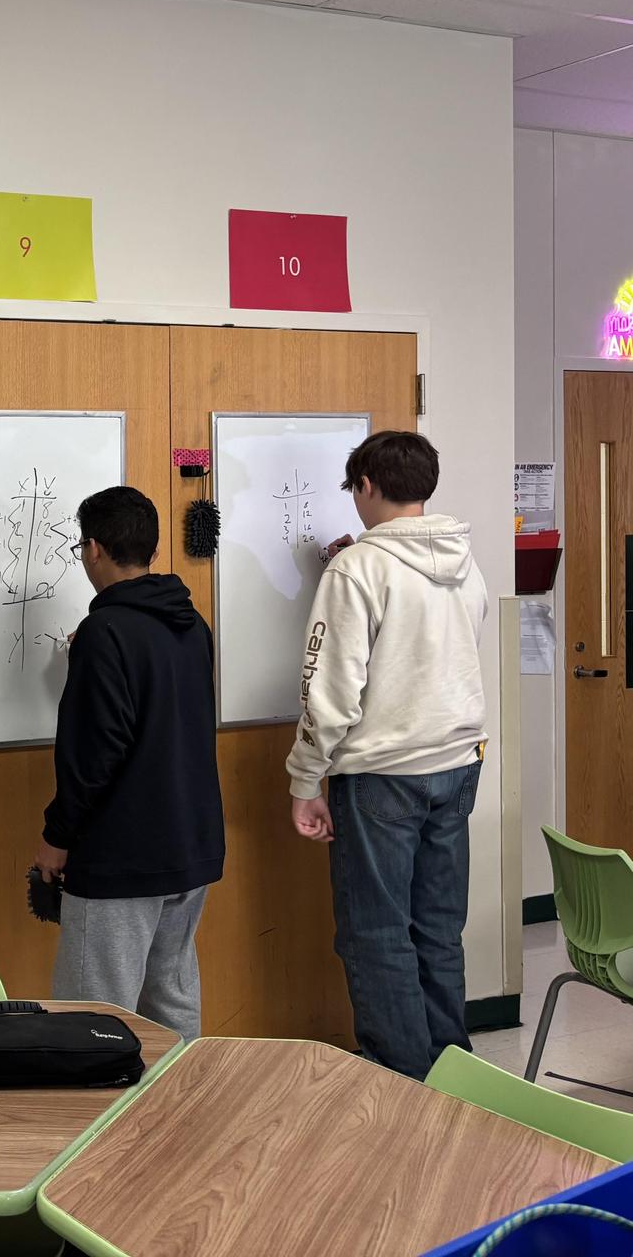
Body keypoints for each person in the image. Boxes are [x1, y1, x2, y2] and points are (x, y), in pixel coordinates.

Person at [288, 430, 488, 1079]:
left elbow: (331, 690)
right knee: (436, 927)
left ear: (367, 486)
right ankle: (453, 1073)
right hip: (458, 765)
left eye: (353, 490)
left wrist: (305, 780)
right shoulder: (463, 557)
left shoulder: (358, 569)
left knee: (375, 934)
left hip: (382, 775)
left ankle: (403, 1085)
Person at [35, 486, 224, 1041]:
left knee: (92, 1016)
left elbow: (97, 751)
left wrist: (57, 834)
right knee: (172, 997)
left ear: (94, 549)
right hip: (190, 845)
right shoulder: (190, 625)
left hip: (123, 854)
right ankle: (181, 1117)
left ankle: (96, 1126)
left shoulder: (106, 632)